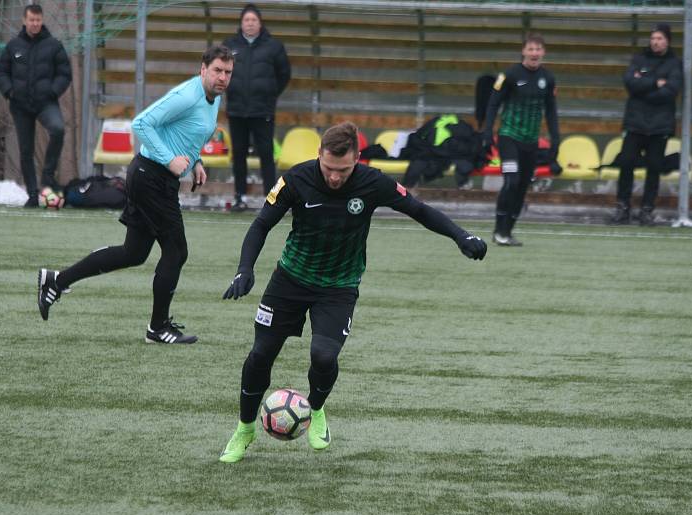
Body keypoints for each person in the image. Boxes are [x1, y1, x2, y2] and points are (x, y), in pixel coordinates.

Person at [217, 121, 487, 463]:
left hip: (339, 287)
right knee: (260, 355)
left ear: (357, 160)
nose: (334, 177)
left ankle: (315, 409)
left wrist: (461, 236)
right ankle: (244, 429)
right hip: (289, 281)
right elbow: (261, 225)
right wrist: (245, 268)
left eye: (342, 170)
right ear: (319, 156)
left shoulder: (372, 182)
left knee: (324, 356)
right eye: (329, 168)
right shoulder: (296, 179)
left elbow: (418, 209)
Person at [36, 45, 233, 344]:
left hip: (154, 177)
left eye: (228, 72)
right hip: (150, 177)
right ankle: (158, 328)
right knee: (177, 251)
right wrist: (170, 160)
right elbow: (142, 123)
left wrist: (195, 162)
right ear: (203, 69)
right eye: (217, 70)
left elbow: (184, 133)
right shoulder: (187, 96)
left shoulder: (211, 98)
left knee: (134, 253)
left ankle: (57, 280)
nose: (222, 77)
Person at [482, 33, 560, 247]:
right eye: (531, 49)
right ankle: (499, 229)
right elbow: (493, 104)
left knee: (523, 185)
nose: (534, 53)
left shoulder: (548, 78)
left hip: (531, 142)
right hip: (509, 137)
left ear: (543, 52)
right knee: (511, 181)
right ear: (523, 51)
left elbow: (551, 112)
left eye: (538, 49)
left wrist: (556, 139)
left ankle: (507, 232)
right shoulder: (510, 74)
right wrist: (488, 132)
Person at [0, 4, 72, 208]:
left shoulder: (54, 45)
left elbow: (65, 73)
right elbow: (1, 72)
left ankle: (47, 176)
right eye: (31, 20)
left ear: (42, 20)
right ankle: (31, 194)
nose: (35, 24)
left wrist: (53, 91)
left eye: (38, 20)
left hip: (46, 103)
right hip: (20, 106)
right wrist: (10, 92)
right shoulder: (13, 46)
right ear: (24, 20)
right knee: (26, 150)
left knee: (58, 129)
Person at [610, 23, 683, 226]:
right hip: (635, 123)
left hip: (659, 126)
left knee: (654, 168)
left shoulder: (675, 63)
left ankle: (646, 210)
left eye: (659, 38)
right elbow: (629, 83)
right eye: (653, 38)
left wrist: (643, 86)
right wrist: (655, 82)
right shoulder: (639, 59)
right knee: (626, 164)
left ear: (667, 40)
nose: (655, 42)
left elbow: (671, 91)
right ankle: (622, 208)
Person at [222, 3, 291, 212]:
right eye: (246, 20)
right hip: (236, 111)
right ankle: (239, 197)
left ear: (260, 23)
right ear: (241, 23)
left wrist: (269, 94)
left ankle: (271, 199)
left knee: (266, 154)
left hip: (263, 111)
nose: (250, 23)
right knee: (239, 154)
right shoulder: (230, 45)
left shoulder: (274, 46)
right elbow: (222, 71)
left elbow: (284, 74)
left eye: (254, 20)